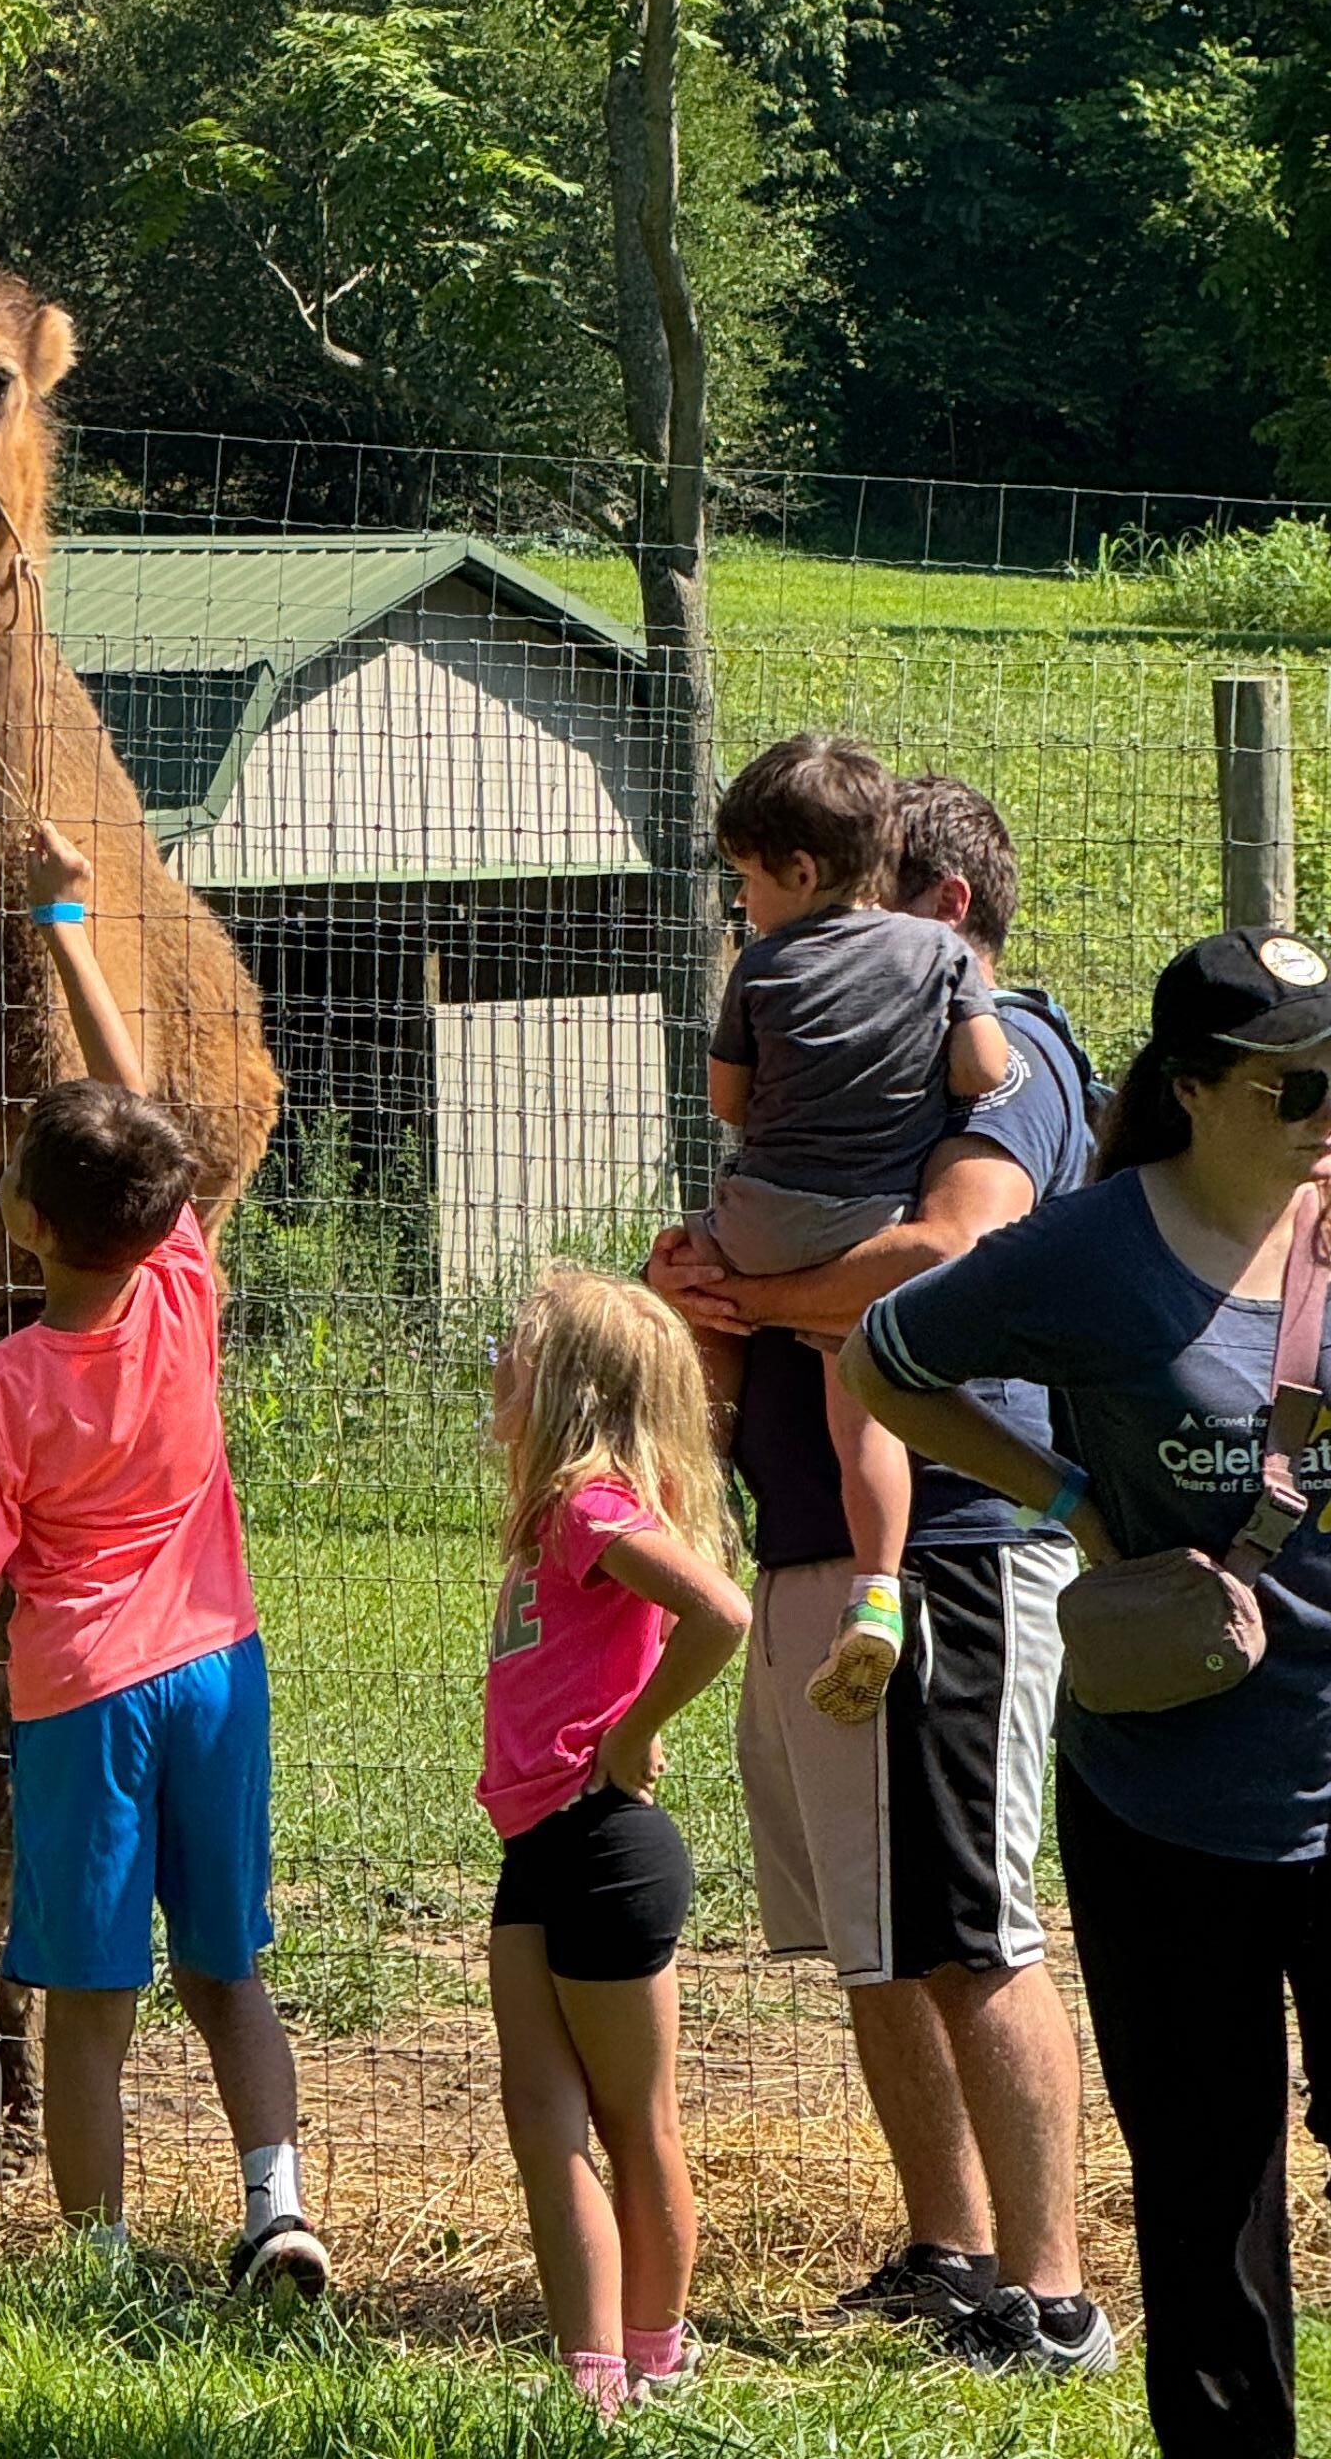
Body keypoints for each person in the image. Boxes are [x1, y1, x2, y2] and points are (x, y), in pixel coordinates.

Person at [849, 927, 1331, 2459]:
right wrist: (1063, 1498)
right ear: (1195, 1091)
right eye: (1297, 1086)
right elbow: (881, 1361)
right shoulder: (1095, 1249)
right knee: (1205, 2201)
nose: (1329, 1111)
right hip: (1165, 1801)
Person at [647, 773, 1106, 2374]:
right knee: (879, 1929)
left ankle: (1052, 2302)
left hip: (956, 1554)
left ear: (943, 918)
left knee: (973, 1927)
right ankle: (953, 2253)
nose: (823, 954)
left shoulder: (1016, 1054)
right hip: (814, 1541)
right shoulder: (852, 1061)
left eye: (857, 912)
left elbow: (957, 1256)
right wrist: (699, 1287)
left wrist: (761, 1302)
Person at [0, 823, 330, 2300]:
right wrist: (69, 919)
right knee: (229, 1968)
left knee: (92, 1998)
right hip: (219, 1672)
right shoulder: (187, 1283)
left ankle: (97, 2263)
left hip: (85, 1698)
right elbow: (136, 1099)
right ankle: (276, 2208)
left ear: (27, 1220)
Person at [479, 1267, 749, 2423]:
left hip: (604, 1843)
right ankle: (591, 2386)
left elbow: (721, 1613)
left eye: (517, 1345)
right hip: (537, 1841)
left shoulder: (594, 1506)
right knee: (540, 2120)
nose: (497, 1361)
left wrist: (636, 1732)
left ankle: (656, 2357)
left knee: (636, 2124)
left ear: (571, 1387)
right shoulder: (552, 1514)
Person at [702, 735, 1009, 1723]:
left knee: (696, 1294)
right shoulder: (942, 956)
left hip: (759, 1219)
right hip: (868, 1229)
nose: (743, 900)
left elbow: (730, 1104)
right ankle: (877, 1593)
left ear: (796, 870)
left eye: (747, 878)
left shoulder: (758, 964)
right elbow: (982, 1071)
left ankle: (699, 1511)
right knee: (859, 1412)